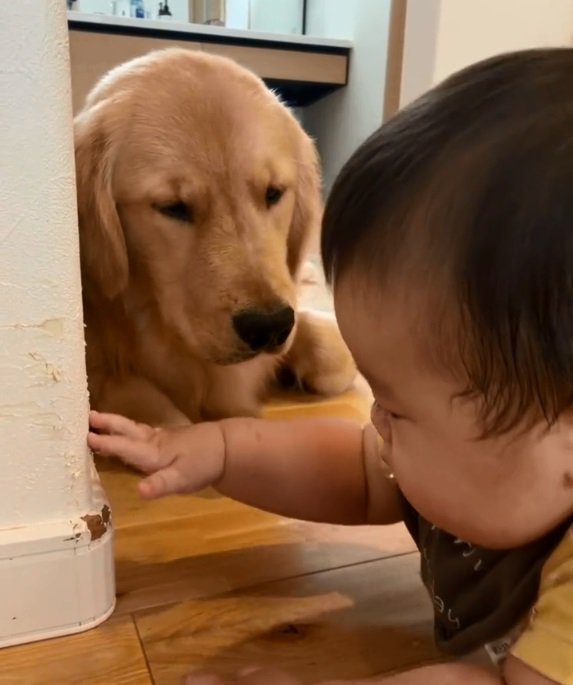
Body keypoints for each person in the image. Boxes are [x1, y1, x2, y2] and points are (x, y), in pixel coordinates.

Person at [88, 48, 573, 685]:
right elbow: (358, 470)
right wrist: (219, 451)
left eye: (398, 407)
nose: (376, 421)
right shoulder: (504, 458)